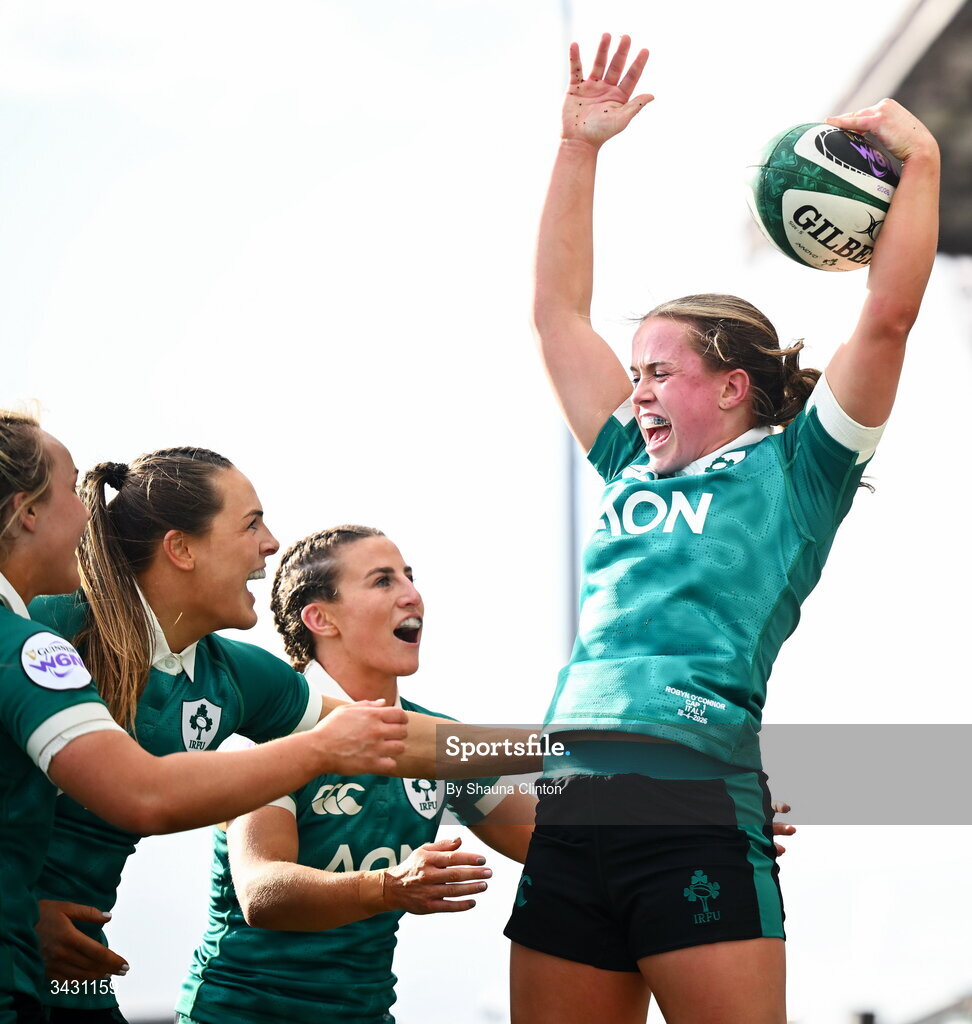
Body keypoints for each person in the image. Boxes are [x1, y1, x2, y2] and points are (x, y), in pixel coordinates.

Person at [503, 34, 940, 1024]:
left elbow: (888, 318)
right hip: (569, 806)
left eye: (659, 370)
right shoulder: (627, 459)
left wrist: (922, 166)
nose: (637, 388)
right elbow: (554, 312)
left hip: (694, 802)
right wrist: (580, 148)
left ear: (732, 386)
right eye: (636, 372)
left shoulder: (802, 470)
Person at [0, 414, 406, 1024]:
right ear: (181, 548)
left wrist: (563, 750)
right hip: (24, 945)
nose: (272, 542)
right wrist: (16, 910)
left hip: (70, 968)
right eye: (251, 523)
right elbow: (147, 797)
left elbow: (390, 738)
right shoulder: (44, 630)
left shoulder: (233, 674)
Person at [176, 525, 537, 1024]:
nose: (413, 596)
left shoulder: (438, 740)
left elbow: (553, 844)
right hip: (239, 1014)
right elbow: (262, 891)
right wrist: (388, 887)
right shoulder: (271, 730)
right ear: (320, 618)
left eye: (410, 578)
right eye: (383, 581)